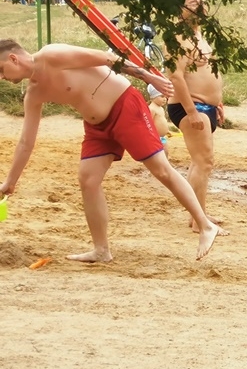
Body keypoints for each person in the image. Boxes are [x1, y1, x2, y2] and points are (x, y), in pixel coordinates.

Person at [0, 39, 222, 261]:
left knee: (161, 170)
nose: (2, 77)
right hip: (97, 126)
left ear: (13, 58)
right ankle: (101, 250)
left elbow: (108, 58)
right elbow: (25, 142)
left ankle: (205, 226)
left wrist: (148, 76)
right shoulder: (34, 93)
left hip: (124, 106)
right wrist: (10, 182)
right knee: (88, 180)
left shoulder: (51, 55)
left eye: (1, 70)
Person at [167, 0, 225, 232]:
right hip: (190, 105)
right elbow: (176, 77)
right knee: (204, 162)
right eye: (192, 3)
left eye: (201, 2)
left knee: (199, 162)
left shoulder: (199, 35)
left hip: (205, 106)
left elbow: (203, 72)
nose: (199, 5)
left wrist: (217, 103)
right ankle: (201, 224)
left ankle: (198, 216)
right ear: (180, 9)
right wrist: (192, 111)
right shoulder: (178, 37)